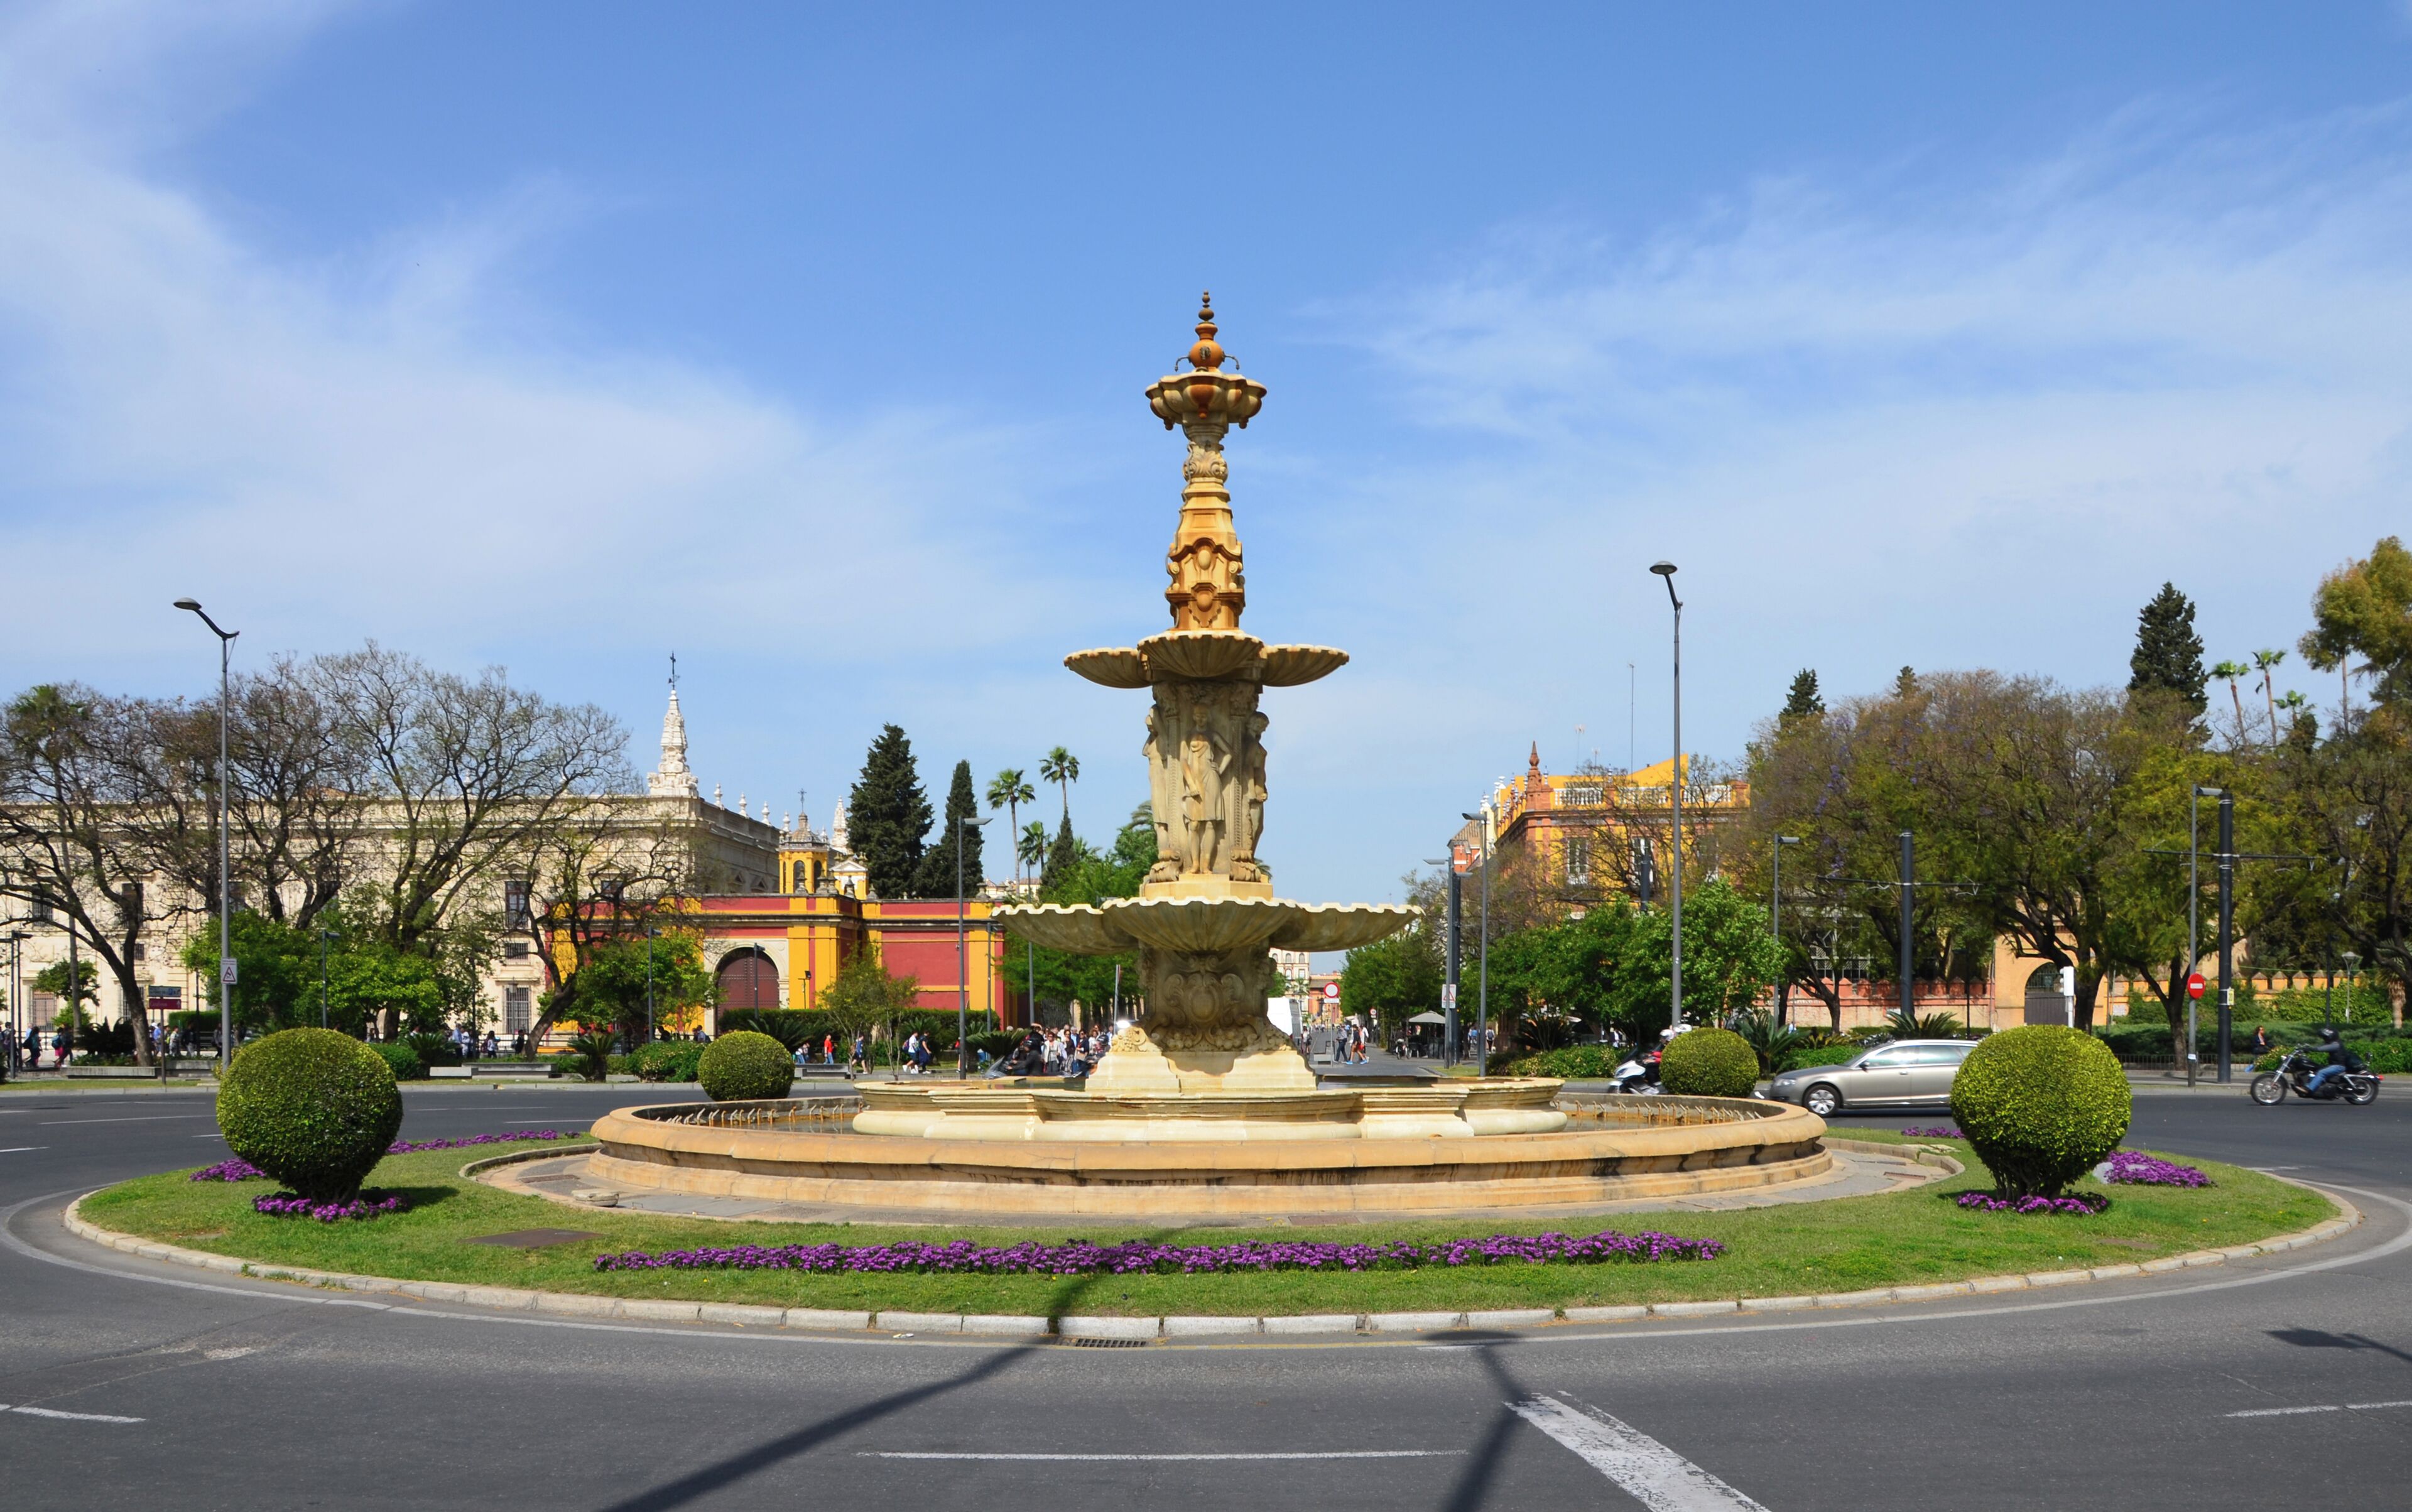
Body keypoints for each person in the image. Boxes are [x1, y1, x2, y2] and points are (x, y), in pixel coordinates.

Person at [2303, 1027, 2363, 1097]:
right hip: (2334, 1065)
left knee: (2322, 1073)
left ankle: (2309, 1089)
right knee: (2317, 1069)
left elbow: (2322, 1048)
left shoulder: (2336, 1044)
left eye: (2326, 1037)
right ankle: (2312, 1086)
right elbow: (2322, 1046)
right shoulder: (2334, 1043)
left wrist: (2311, 1049)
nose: (2324, 1039)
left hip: (2339, 1066)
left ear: (2331, 1037)